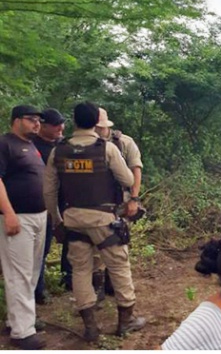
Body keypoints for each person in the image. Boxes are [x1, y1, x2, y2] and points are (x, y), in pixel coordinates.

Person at [44, 102, 145, 342]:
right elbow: (128, 178)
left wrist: (57, 220)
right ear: (96, 123)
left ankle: (90, 327)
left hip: (73, 219)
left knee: (80, 270)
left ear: (75, 121)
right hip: (104, 220)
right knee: (119, 266)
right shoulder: (106, 149)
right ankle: (126, 321)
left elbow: (49, 191)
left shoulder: (59, 151)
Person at [0, 105, 47, 349]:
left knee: (31, 272)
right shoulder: (5, 144)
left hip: (39, 216)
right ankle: (22, 333)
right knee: (18, 273)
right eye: (31, 120)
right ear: (17, 120)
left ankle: (17, 320)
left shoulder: (31, 146)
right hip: (17, 218)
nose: (37, 124)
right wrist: (8, 213)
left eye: (38, 120)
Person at [94, 107, 144, 300]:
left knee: (119, 242)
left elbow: (136, 170)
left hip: (120, 201)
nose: (99, 130)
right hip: (97, 203)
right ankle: (98, 288)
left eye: (101, 127)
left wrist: (134, 199)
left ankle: (113, 285)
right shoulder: (89, 145)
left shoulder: (124, 142)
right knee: (97, 249)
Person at [32, 108, 66, 304]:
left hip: (63, 204)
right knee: (40, 250)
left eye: (62, 126)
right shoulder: (32, 145)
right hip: (40, 206)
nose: (60, 130)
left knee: (69, 244)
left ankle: (67, 279)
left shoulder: (62, 145)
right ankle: (38, 291)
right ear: (42, 126)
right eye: (55, 126)